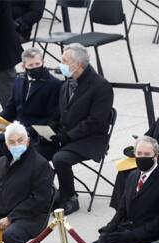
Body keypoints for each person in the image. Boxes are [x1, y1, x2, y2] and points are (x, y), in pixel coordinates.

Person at [0, 47, 61, 217]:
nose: (35, 67)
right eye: (31, 65)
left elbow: (53, 119)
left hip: (37, 138)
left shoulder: (54, 84)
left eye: (38, 63)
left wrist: (28, 130)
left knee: (8, 159)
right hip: (15, 134)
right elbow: (11, 109)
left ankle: (8, 199)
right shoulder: (19, 80)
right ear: (24, 67)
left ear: (43, 63)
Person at [41, 44, 114, 215]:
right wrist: (50, 130)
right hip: (66, 135)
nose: (61, 64)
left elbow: (95, 121)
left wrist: (67, 136)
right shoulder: (67, 83)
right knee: (34, 152)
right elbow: (59, 113)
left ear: (79, 64)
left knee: (60, 159)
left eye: (64, 61)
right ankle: (48, 193)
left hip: (90, 139)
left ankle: (70, 197)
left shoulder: (101, 86)